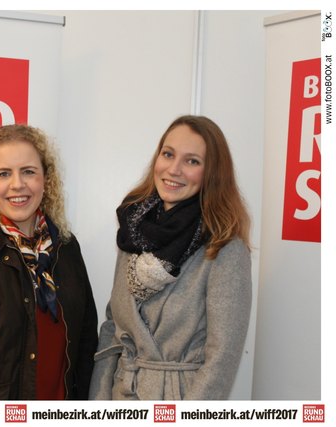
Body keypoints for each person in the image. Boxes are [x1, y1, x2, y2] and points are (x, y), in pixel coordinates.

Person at [89, 115, 252, 400]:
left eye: (192, 161)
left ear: (212, 173)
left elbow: (221, 359)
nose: (174, 169)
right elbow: (112, 328)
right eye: (168, 154)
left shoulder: (225, 247)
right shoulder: (133, 232)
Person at [0, 124, 98, 400]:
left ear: (45, 179)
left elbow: (86, 342)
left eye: (28, 171)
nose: (17, 184)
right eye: (3, 174)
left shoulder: (67, 248)